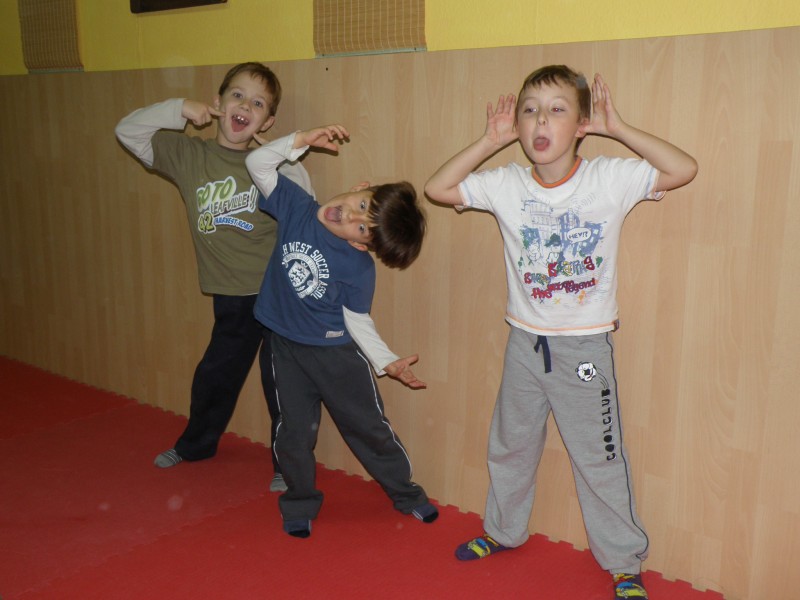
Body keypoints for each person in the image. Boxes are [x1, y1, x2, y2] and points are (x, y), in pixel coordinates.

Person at [424, 65, 697, 599]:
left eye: (556, 110)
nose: (540, 121)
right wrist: (489, 140)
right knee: (511, 444)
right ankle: (503, 530)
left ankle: (623, 561)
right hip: (524, 343)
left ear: (580, 124)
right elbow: (438, 188)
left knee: (599, 457)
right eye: (529, 111)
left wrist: (618, 128)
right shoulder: (506, 185)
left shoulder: (608, 179)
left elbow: (683, 168)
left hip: (584, 349)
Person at [115, 62, 313, 493]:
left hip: (278, 290)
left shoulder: (266, 165)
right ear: (219, 102)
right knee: (216, 374)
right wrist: (179, 109)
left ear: (268, 121)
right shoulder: (191, 156)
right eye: (237, 95)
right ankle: (196, 445)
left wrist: (281, 153)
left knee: (282, 382)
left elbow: (306, 203)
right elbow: (127, 131)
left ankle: (288, 464)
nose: (245, 107)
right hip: (231, 294)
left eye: (258, 104)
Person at [245, 124, 438, 538]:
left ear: (361, 244)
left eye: (362, 227)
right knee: (293, 432)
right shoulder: (297, 207)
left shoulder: (358, 267)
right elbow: (257, 163)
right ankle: (299, 502)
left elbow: (357, 319)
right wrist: (299, 141)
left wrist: (387, 362)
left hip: (336, 357)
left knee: (368, 427)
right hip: (284, 348)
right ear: (359, 186)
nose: (350, 216)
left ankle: (405, 493)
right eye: (362, 204)